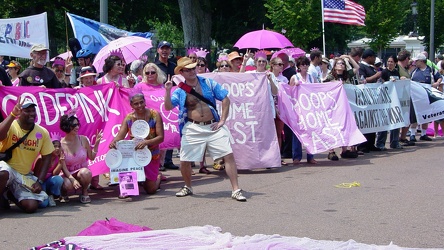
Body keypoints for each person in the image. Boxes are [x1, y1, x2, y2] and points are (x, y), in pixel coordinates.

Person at [164, 57, 247, 201]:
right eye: (188, 69)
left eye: (193, 68)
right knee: (184, 160)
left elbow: (225, 99)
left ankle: (236, 189)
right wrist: (167, 90)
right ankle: (188, 186)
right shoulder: (180, 90)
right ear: (182, 72)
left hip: (212, 125)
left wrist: (222, 120)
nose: (191, 71)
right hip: (192, 127)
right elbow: (168, 107)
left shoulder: (208, 82)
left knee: (228, 155)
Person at [0, 98, 54, 213]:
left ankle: (9, 194)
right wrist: (12, 114)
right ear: (20, 112)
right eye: (27, 111)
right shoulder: (11, 125)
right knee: (3, 173)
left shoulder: (42, 132)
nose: (31, 114)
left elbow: (47, 157)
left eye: (33, 111)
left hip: (22, 176)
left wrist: (39, 181)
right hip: (6, 168)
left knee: (31, 207)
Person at [109, 92, 164, 195]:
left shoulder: (155, 115)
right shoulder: (129, 118)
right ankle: (129, 188)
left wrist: (146, 142)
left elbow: (161, 138)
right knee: (128, 190)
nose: (139, 106)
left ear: (145, 102)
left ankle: (158, 177)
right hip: (134, 155)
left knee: (150, 190)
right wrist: (114, 143)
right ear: (131, 105)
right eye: (136, 104)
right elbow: (120, 135)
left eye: (141, 102)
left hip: (151, 155)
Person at [59, 114, 102, 203]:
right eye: (74, 125)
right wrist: (72, 179)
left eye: (78, 124)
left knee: (86, 173)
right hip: (67, 174)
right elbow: (62, 166)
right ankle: (64, 193)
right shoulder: (60, 144)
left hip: (81, 172)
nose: (77, 127)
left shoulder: (83, 139)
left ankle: (84, 191)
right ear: (66, 126)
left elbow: (92, 157)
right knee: (67, 184)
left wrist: (97, 143)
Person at [324, 56, 360, 159]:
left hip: (345, 106)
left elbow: (357, 67)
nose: (341, 65)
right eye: (339, 63)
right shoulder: (330, 77)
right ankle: (331, 151)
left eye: (343, 64)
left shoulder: (347, 75)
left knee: (344, 127)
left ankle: (344, 150)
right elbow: (323, 87)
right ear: (334, 66)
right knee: (333, 127)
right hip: (334, 107)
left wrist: (349, 57)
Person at [289, 56, 317, 165]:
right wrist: (295, 87)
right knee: (297, 133)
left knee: (310, 132)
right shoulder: (294, 77)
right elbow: (289, 93)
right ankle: (296, 156)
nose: (304, 66)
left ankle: (311, 156)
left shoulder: (311, 78)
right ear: (298, 66)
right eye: (302, 64)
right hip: (298, 108)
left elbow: (316, 91)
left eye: (306, 64)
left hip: (310, 108)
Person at [155, 41, 178, 171]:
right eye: (162, 48)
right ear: (158, 50)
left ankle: (169, 159)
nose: (165, 51)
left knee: (172, 127)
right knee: (160, 129)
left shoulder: (174, 66)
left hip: (171, 100)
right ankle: (159, 161)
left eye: (167, 48)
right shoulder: (154, 66)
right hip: (157, 101)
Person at [409, 53, 442, 142]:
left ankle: (423, 134)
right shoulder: (414, 71)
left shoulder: (431, 70)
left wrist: (437, 83)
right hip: (415, 97)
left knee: (425, 114)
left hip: (426, 96)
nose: (415, 62)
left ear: (422, 61)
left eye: (417, 61)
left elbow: (439, 77)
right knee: (414, 115)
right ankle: (412, 134)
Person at [357, 49, 381, 153]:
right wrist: (375, 76)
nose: (375, 59)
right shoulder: (361, 67)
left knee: (372, 121)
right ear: (369, 57)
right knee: (365, 121)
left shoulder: (371, 67)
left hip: (373, 98)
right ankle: (363, 145)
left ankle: (371, 143)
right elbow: (363, 80)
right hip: (365, 97)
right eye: (373, 57)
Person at [377, 55, 404, 150]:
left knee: (395, 121)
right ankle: (380, 143)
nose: (389, 63)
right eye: (388, 61)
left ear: (395, 63)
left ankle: (394, 142)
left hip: (395, 100)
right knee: (385, 121)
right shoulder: (384, 72)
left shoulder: (396, 72)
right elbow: (382, 83)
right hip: (386, 100)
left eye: (391, 62)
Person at [33, 133, 65, 207]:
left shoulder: (59, 158)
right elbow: (35, 175)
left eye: (59, 147)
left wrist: (60, 163)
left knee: (58, 179)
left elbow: (54, 174)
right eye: (55, 146)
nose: (57, 149)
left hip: (49, 181)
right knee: (43, 204)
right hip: (40, 182)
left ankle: (51, 195)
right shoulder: (41, 158)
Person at [277, 52, 295, 159]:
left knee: (286, 129)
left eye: (280, 63)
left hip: (286, 104)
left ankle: (287, 150)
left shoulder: (290, 73)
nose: (279, 66)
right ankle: (284, 149)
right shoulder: (284, 73)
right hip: (279, 103)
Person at [396, 50, 415, 147]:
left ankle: (402, 137)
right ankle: (400, 137)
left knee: (408, 116)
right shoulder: (398, 68)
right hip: (400, 96)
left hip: (406, 96)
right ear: (407, 58)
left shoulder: (404, 68)